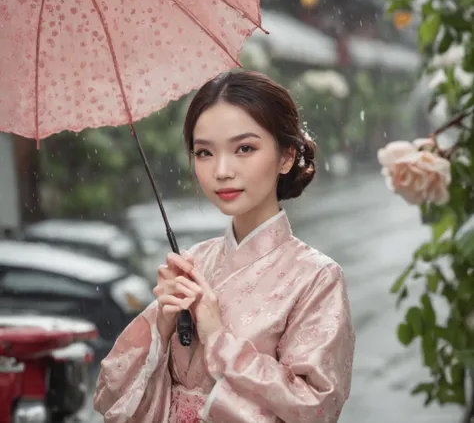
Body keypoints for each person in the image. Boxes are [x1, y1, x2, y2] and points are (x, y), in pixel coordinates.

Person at [93, 70, 356, 423]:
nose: (221, 170)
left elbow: (313, 407)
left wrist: (218, 339)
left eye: (244, 148)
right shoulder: (192, 264)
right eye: (204, 152)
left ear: (286, 156)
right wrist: (163, 324)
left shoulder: (317, 277)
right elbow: (112, 394)